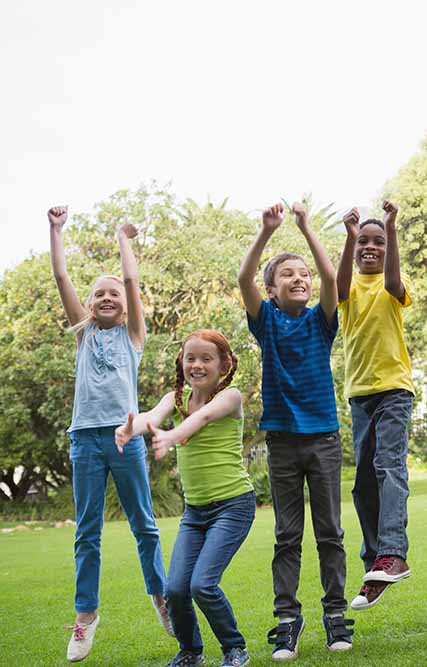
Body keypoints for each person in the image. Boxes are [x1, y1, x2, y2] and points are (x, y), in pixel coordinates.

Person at [48, 206, 170, 662]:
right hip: (85, 439)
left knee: (145, 525)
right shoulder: (83, 335)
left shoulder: (132, 336)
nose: (105, 297)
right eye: (98, 293)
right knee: (87, 532)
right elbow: (62, 278)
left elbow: (132, 281)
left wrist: (123, 238)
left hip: (125, 439)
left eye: (113, 293)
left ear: (125, 305)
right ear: (88, 304)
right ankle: (86, 616)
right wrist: (56, 230)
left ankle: (161, 598)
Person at [238, 202, 353, 658]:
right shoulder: (266, 321)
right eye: (287, 274)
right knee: (287, 535)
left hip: (323, 439)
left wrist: (307, 227)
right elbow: (244, 278)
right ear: (271, 290)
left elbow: (331, 278)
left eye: (303, 273)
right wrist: (267, 232)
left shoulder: (321, 322)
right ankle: (287, 619)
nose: (299, 278)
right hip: (282, 443)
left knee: (330, 533)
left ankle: (336, 614)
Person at [116, 330, 254, 667]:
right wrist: (132, 427)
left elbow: (203, 417)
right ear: (182, 363)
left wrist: (171, 437)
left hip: (233, 506)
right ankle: (190, 651)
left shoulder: (231, 397)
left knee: (202, 584)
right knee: (175, 588)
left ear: (224, 365)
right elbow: (151, 417)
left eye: (206, 358)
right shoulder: (175, 398)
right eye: (190, 358)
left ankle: (235, 648)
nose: (197, 365)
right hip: (195, 513)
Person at [336, 201, 415, 611]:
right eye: (363, 241)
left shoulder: (393, 284)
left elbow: (394, 284)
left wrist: (391, 227)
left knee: (389, 467)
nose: (370, 246)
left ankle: (393, 552)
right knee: (363, 482)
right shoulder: (348, 289)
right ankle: (376, 566)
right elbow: (336, 290)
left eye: (378, 241)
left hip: (394, 390)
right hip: (360, 395)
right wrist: (348, 238)